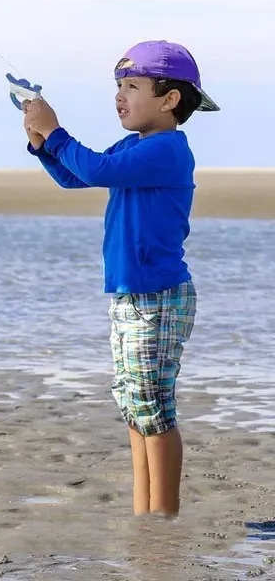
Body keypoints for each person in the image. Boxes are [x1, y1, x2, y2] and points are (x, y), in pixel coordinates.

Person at [21, 40, 218, 517]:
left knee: (154, 407)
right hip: (130, 297)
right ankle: (143, 512)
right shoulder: (136, 145)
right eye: (118, 86)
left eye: (132, 85)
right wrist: (43, 143)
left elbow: (97, 167)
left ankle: (164, 518)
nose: (120, 96)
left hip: (159, 297)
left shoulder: (169, 149)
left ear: (170, 99)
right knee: (134, 408)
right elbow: (76, 177)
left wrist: (57, 130)